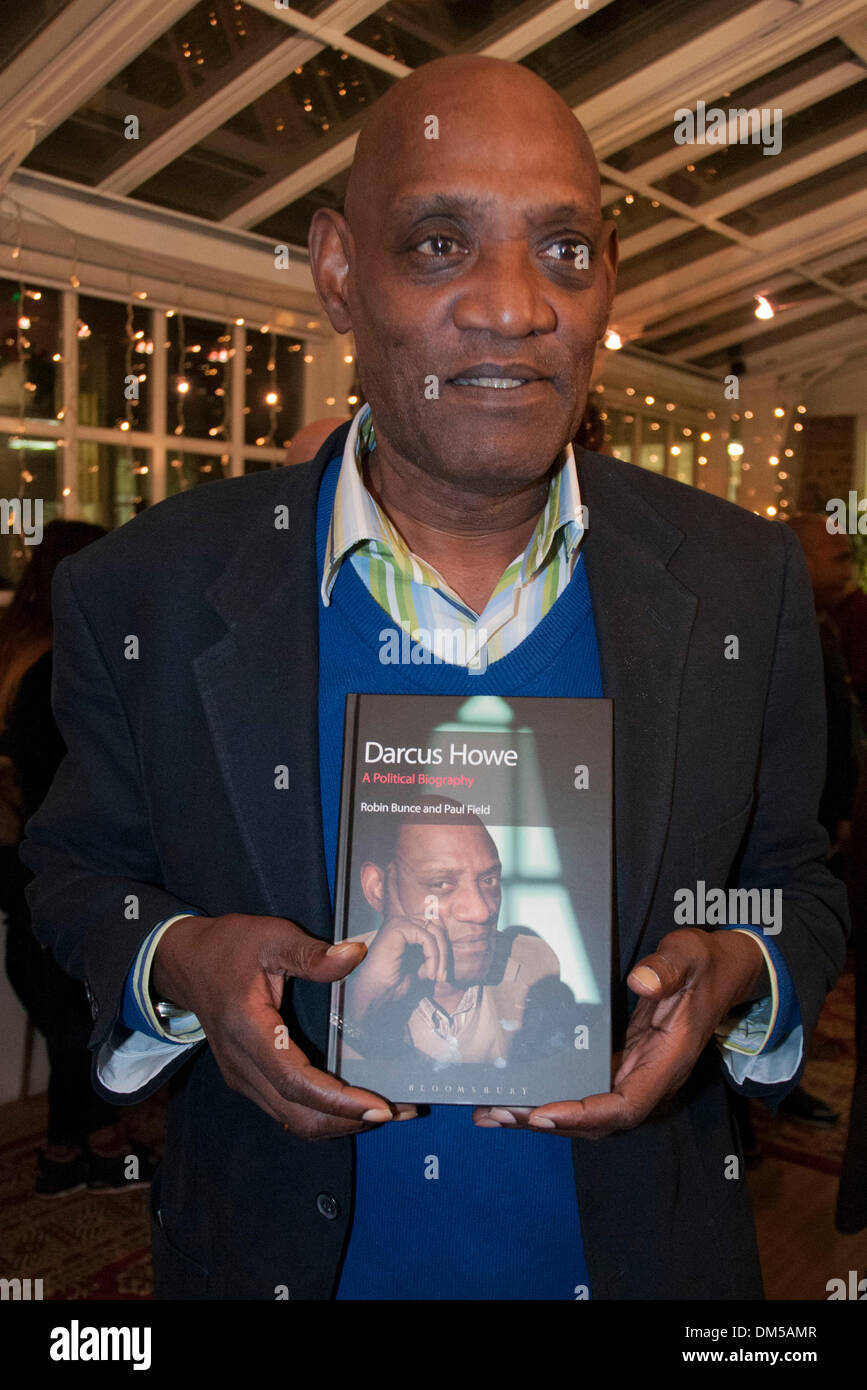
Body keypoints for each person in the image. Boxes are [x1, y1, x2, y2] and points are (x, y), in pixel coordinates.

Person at [21, 55, 848, 1300]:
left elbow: (795, 883)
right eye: (440, 243)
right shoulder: (149, 591)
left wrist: (743, 969)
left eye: (563, 250)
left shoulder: (743, 584)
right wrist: (180, 958)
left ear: (608, 275)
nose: (513, 306)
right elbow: (76, 875)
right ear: (341, 270)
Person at [0, 520, 158, 1194]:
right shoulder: (62, 662)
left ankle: (78, 1146)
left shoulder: (17, 648)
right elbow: (79, 784)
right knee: (78, 1017)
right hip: (57, 864)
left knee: (67, 1008)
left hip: (19, 862)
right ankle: (78, 1150)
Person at [342, 807, 572, 1068]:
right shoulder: (331, 981)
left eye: (489, 880)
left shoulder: (536, 963)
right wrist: (357, 1017)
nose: (481, 911)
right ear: (378, 889)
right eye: (441, 884)